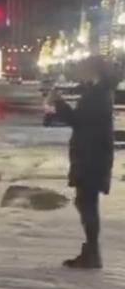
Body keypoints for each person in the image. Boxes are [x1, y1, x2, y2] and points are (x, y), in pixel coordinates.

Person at [49, 57, 116, 269]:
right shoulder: (99, 91)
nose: (82, 73)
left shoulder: (98, 94)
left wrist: (58, 102)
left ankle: (92, 254)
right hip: (91, 154)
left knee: (87, 204)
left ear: (94, 71)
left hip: (91, 156)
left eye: (85, 69)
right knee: (85, 203)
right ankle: (90, 252)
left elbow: (79, 120)